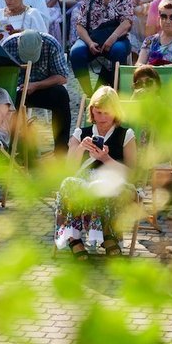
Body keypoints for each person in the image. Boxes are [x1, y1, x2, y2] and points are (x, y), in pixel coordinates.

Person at [54, 86, 137, 258]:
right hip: (84, 181)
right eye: (98, 112)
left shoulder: (125, 135)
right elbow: (69, 170)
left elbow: (132, 175)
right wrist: (80, 148)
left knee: (100, 187)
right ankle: (74, 238)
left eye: (107, 113)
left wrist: (106, 159)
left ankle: (107, 234)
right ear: (92, 111)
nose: (102, 118)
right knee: (69, 184)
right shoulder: (80, 134)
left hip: (114, 181)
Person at [70, 0, 133, 96]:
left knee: (118, 51)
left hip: (117, 38)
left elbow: (127, 22)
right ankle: (89, 93)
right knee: (76, 53)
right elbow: (80, 25)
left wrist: (112, 39)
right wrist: (89, 43)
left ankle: (115, 91)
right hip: (93, 37)